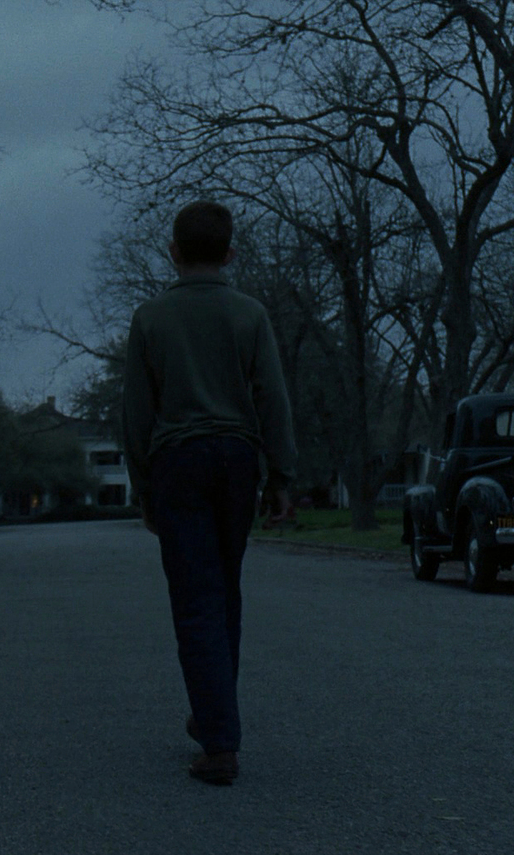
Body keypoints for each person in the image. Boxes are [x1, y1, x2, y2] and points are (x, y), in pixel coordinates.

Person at [121, 199, 296, 785]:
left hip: (179, 461)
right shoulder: (249, 315)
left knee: (195, 599)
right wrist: (283, 477)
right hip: (237, 460)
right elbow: (272, 397)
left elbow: (136, 414)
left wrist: (143, 487)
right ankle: (213, 715)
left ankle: (219, 742)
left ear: (172, 252)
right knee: (225, 594)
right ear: (229, 254)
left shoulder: (150, 319)